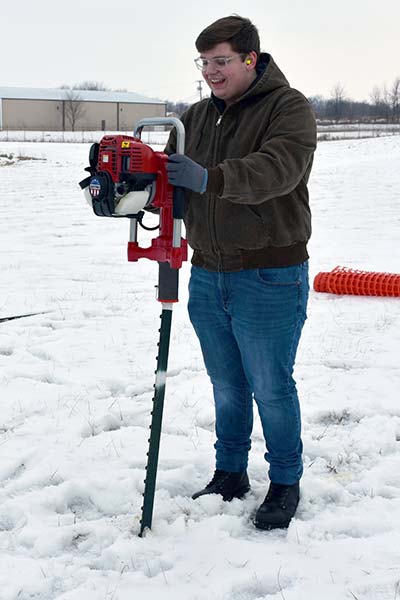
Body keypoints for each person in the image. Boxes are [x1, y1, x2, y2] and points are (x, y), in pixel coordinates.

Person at [165, 15, 316, 530]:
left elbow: (279, 169)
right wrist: (133, 184)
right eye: (204, 62)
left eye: (222, 60)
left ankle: (285, 482)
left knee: (270, 385)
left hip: (269, 273)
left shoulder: (288, 108)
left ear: (251, 59)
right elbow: (173, 181)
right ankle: (230, 472)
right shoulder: (195, 117)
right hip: (208, 272)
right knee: (226, 384)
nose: (211, 71)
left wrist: (210, 177)